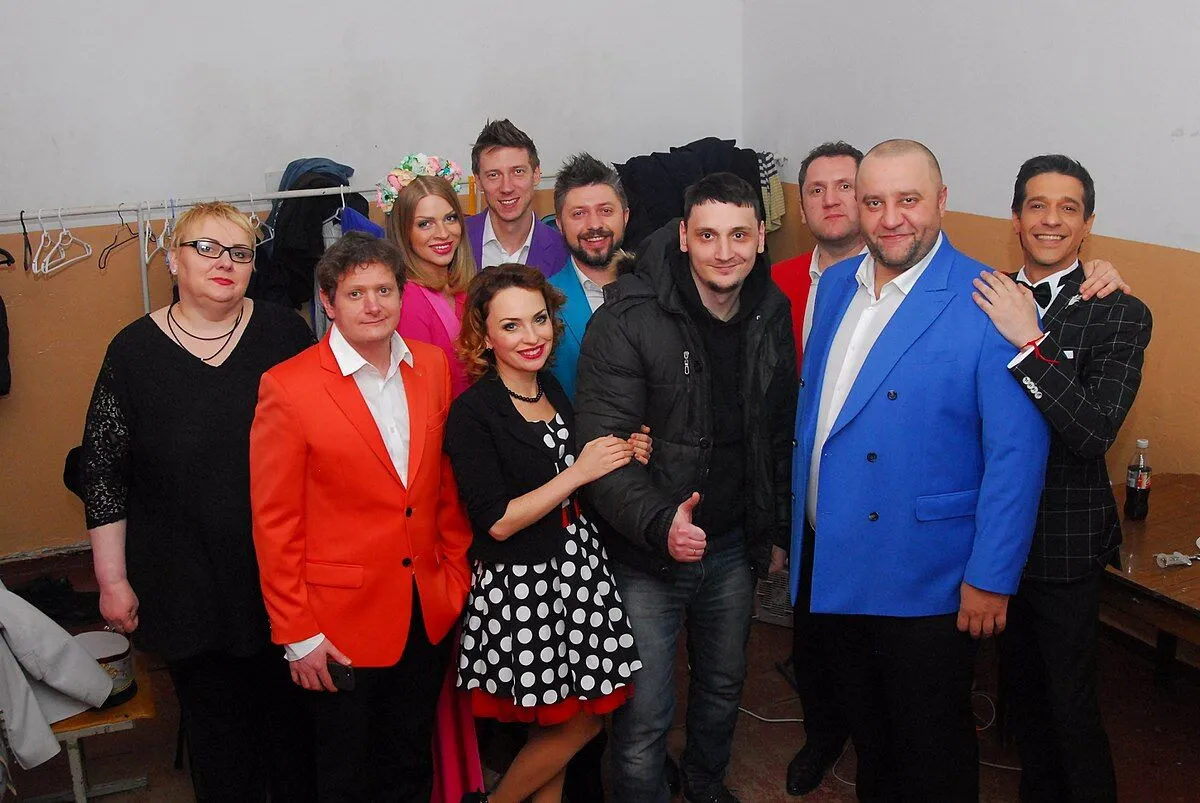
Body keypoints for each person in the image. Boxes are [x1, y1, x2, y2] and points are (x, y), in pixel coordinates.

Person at [790, 139, 1050, 801]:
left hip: (928, 574)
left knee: (931, 747)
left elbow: (1016, 456)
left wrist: (991, 577)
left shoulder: (988, 300)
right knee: (872, 739)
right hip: (837, 557)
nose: (890, 218)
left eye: (908, 199)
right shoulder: (838, 286)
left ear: (941, 201)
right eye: (874, 201)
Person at [81, 201, 316, 802]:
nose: (224, 263)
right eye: (206, 248)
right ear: (172, 260)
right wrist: (112, 580)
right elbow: (103, 471)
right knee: (220, 747)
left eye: (240, 252)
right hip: (184, 584)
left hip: (281, 581)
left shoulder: (286, 333)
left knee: (295, 743)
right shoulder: (133, 351)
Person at [574, 173, 797, 803]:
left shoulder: (771, 310)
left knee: (723, 687)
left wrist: (774, 529)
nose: (724, 252)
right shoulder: (628, 318)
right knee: (645, 715)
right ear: (682, 237)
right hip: (645, 553)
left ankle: (705, 785)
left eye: (738, 235)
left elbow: (778, 434)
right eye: (708, 236)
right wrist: (659, 522)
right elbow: (603, 450)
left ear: (760, 238)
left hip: (730, 546)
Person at [250, 232, 473, 802]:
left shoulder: (430, 366)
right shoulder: (288, 387)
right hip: (338, 623)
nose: (373, 305)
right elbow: (275, 523)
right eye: (355, 293)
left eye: (384, 290)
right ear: (328, 302)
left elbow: (444, 486)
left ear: (401, 294)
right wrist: (297, 634)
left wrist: (455, 578)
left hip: (425, 609)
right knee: (346, 774)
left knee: (409, 762)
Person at [972, 154, 1152, 802]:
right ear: (1016, 218)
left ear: (1088, 223)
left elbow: (1093, 432)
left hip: (1063, 541)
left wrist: (1032, 343)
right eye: (1038, 206)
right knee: (1020, 695)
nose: (1051, 220)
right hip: (988, 536)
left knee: (1069, 704)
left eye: (1068, 208)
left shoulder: (1120, 312)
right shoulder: (984, 296)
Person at [445, 264, 647, 803]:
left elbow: (572, 471)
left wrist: (619, 454)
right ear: (484, 335)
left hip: (578, 573)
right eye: (511, 325)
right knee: (578, 722)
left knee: (559, 722)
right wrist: (579, 471)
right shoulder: (472, 413)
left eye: (539, 319)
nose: (531, 336)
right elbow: (497, 520)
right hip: (525, 587)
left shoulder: (551, 388)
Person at [378, 154, 477, 399]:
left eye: (450, 218)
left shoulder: (463, 288)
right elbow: (421, 393)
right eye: (425, 224)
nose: (443, 233)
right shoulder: (408, 300)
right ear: (404, 232)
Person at [548, 152, 630, 399]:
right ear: (560, 224)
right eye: (578, 214)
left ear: (625, 216)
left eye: (605, 210)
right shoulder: (544, 301)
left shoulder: (658, 289)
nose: (594, 224)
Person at [466, 119, 569, 276]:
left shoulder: (564, 251)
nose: (506, 188)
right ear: (478, 181)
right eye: (493, 175)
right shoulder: (457, 240)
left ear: (536, 174)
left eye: (518, 172)